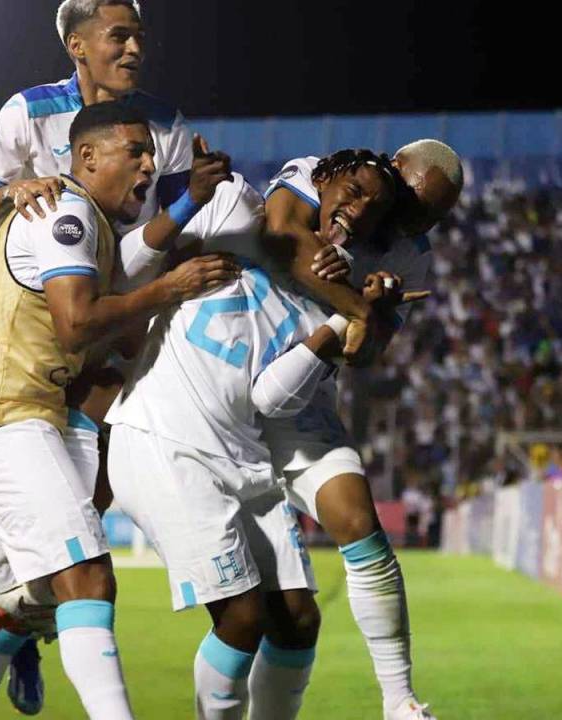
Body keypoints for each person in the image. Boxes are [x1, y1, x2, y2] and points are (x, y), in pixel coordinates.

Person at [0, 0, 193, 712]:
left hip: (114, 312)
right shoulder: (30, 111)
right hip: (22, 321)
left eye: (141, 34)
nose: (136, 46)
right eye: (121, 34)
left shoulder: (165, 124)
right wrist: (13, 191)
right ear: (78, 45)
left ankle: (24, 622)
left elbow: (176, 222)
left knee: (75, 532)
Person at [0, 100, 235, 720]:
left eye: (152, 154)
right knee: (89, 577)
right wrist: (170, 289)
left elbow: (125, 276)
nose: (152, 166)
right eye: (137, 153)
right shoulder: (64, 212)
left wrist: (189, 205)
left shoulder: (93, 222)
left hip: (40, 418)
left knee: (39, 599)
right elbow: (76, 325)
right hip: (3, 420)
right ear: (89, 157)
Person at [105, 150, 408, 719]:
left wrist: (346, 318)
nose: (358, 207)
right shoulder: (234, 207)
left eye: (373, 207)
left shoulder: (324, 297)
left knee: (296, 622)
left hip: (243, 456)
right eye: (353, 188)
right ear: (318, 180)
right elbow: (125, 264)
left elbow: (273, 395)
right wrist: (177, 241)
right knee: (243, 617)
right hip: (165, 439)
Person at [252, 139, 463, 720]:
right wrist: (358, 305)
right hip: (227, 385)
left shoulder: (411, 254)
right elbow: (283, 237)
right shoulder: (326, 178)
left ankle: (399, 702)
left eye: (431, 218)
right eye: (414, 205)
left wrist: (372, 315)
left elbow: (364, 354)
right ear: (393, 173)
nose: (414, 223)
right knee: (257, 616)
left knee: (362, 529)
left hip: (306, 397)